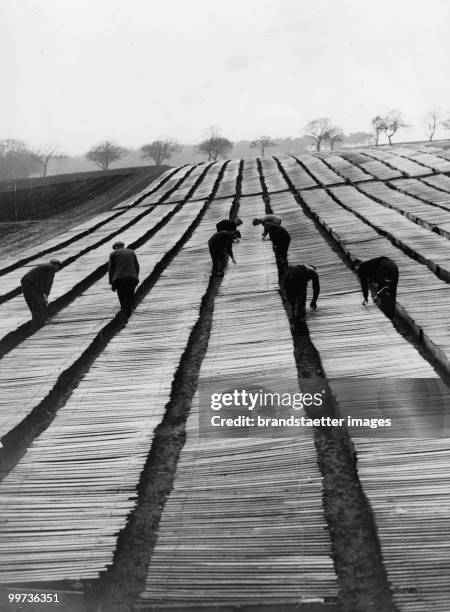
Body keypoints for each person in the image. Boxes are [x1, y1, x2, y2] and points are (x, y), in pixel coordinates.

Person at [20, 259, 63, 324]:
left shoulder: (45, 267)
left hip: (26, 283)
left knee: (32, 302)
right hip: (31, 284)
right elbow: (49, 282)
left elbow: (41, 283)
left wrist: (43, 294)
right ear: (56, 265)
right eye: (58, 267)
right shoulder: (51, 268)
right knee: (38, 302)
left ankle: (36, 320)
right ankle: (39, 320)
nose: (57, 269)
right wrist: (46, 295)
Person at [108, 241, 140, 313]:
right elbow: (137, 266)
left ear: (115, 247)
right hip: (132, 277)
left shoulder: (113, 253)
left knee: (122, 296)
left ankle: (124, 311)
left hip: (119, 279)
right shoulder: (131, 252)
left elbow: (111, 269)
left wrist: (112, 283)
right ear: (123, 245)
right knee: (130, 295)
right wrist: (136, 276)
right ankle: (129, 310)